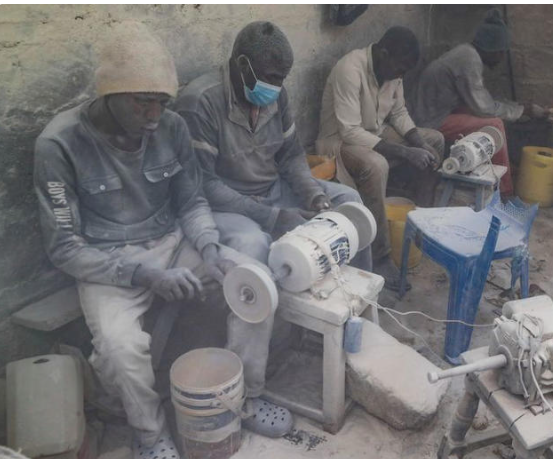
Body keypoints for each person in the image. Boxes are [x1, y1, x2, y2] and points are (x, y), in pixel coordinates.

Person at [33, 22, 292, 458]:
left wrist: (209, 251)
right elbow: (64, 248)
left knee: (253, 281)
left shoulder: (170, 127)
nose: (154, 116)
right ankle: (150, 435)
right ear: (109, 93)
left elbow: (191, 202)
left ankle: (246, 396)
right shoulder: (59, 144)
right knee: (120, 346)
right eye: (143, 104)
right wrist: (143, 274)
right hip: (107, 264)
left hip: (173, 242)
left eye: (161, 103)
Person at [175, 21, 371, 272]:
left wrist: (313, 194)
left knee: (347, 200)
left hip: (272, 189)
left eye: (282, 79)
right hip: (226, 203)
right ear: (243, 64)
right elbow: (205, 184)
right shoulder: (200, 102)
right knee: (252, 242)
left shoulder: (277, 95)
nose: (277, 87)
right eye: (272, 78)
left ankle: (359, 291)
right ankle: (274, 308)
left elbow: (290, 154)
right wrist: (273, 217)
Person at [315, 26, 445, 290]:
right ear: (383, 53)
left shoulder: (393, 71)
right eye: (400, 69)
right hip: (339, 142)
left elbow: (398, 113)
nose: (402, 75)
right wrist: (406, 152)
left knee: (435, 140)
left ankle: (422, 225)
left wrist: (419, 144)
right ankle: (381, 256)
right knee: (377, 165)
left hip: (375, 133)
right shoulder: (349, 69)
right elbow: (350, 131)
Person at [410, 8, 548, 196]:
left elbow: (482, 99)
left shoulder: (467, 53)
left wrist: (517, 107)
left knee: (484, 117)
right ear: (491, 49)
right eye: (501, 52)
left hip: (437, 112)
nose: (501, 58)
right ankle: (504, 189)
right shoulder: (469, 59)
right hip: (430, 120)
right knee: (495, 124)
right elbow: (485, 108)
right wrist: (523, 111)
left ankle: (499, 168)